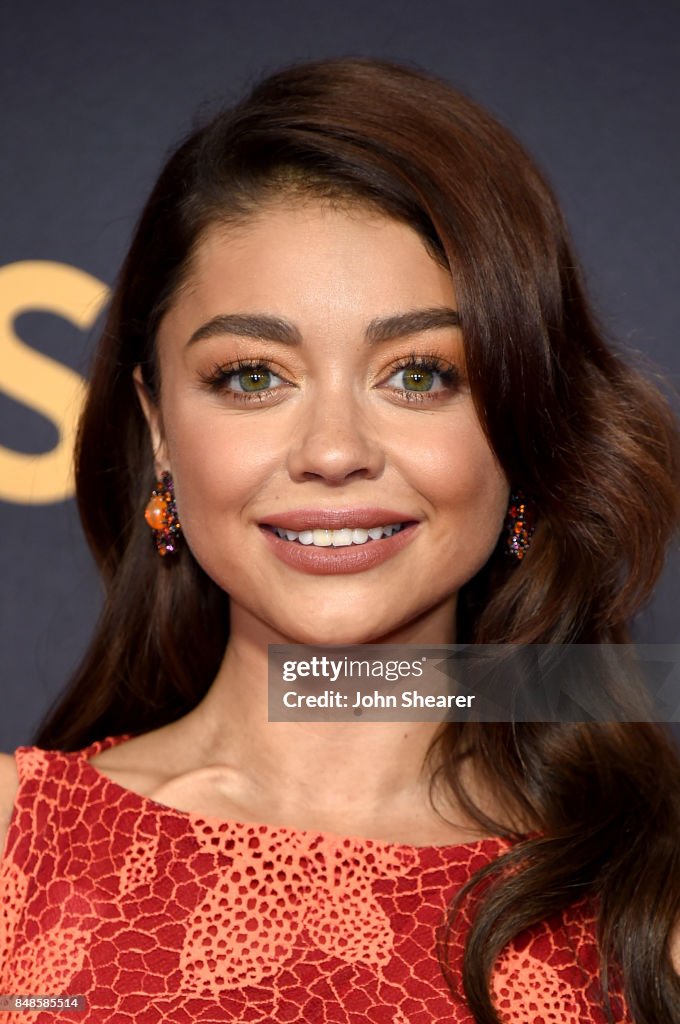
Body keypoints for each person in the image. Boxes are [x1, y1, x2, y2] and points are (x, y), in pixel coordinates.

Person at [1, 57, 679, 1024]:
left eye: (419, 375)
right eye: (250, 376)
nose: (332, 452)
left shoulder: (649, 902)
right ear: (157, 427)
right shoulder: (15, 850)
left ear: (525, 423)